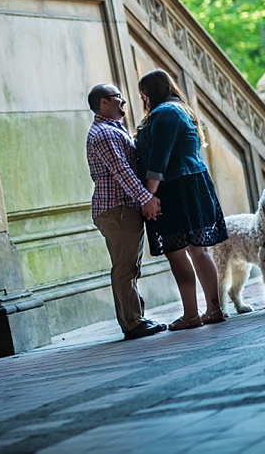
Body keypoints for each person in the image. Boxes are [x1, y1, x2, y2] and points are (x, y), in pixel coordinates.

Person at [135, 69, 228, 330]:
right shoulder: (182, 110)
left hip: (175, 188)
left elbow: (159, 157)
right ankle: (214, 309)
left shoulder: (164, 112)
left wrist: (148, 196)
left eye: (144, 94)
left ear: (152, 92)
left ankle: (191, 315)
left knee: (177, 253)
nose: (143, 100)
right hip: (194, 183)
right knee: (199, 251)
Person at [86, 83, 166, 340]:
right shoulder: (105, 134)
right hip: (117, 210)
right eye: (116, 97)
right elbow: (122, 170)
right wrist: (146, 199)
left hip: (120, 208)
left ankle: (136, 318)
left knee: (129, 266)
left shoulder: (111, 130)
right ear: (103, 103)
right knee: (125, 267)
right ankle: (132, 323)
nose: (123, 101)